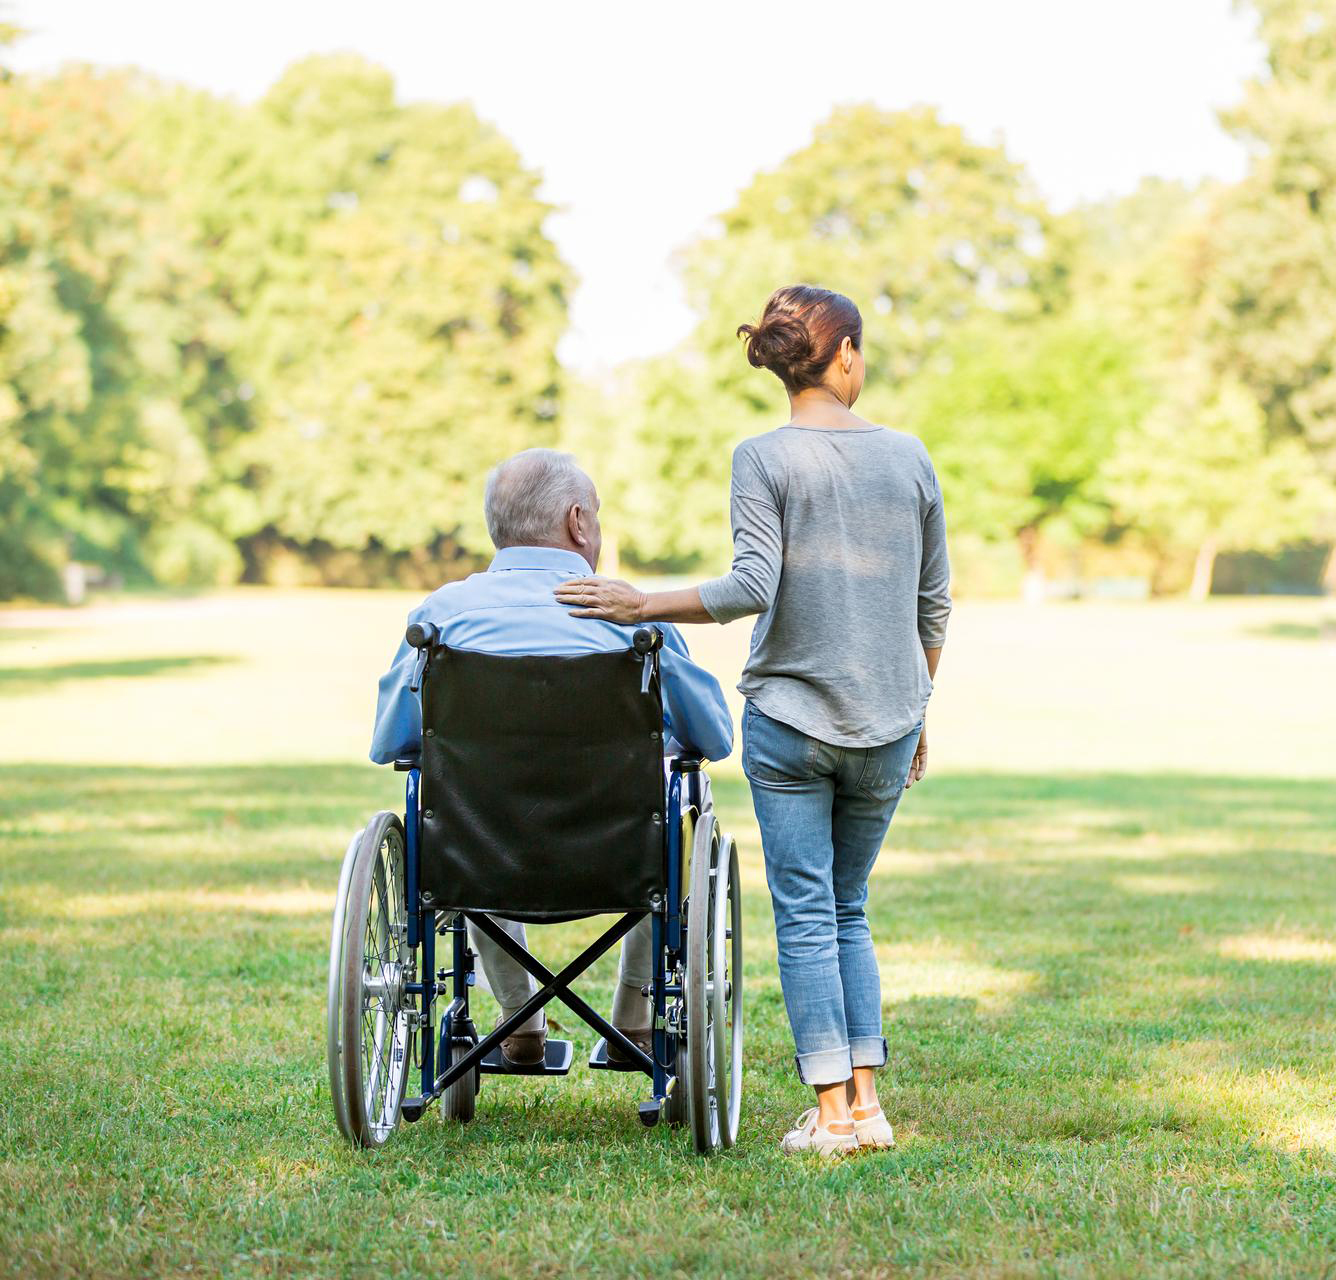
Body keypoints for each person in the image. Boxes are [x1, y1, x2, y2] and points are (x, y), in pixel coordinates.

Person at [555, 285, 951, 1158]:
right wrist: (917, 712)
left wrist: (639, 602)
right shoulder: (911, 457)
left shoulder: (761, 458)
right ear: (844, 354)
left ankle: (833, 1116)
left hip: (791, 722)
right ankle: (867, 1104)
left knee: (808, 911)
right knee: (849, 906)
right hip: (888, 722)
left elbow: (750, 587)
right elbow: (933, 608)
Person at [371, 448, 733, 1069]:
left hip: (479, 856)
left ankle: (520, 1028)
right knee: (678, 815)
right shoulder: (632, 623)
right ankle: (637, 1025)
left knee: (463, 807)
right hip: (619, 856)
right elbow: (716, 739)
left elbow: (391, 745)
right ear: (578, 523)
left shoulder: (441, 619)